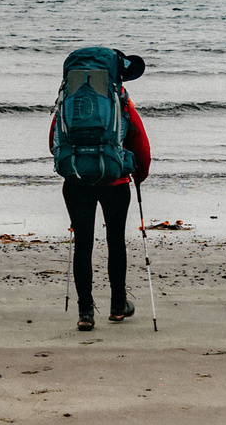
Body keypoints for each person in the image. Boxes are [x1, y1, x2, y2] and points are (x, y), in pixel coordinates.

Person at [48, 50, 151, 331]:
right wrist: (139, 175)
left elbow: (54, 139)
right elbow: (140, 141)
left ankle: (85, 312)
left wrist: (74, 166)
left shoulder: (68, 99)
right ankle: (118, 306)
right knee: (115, 240)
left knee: (83, 243)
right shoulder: (120, 100)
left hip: (77, 180)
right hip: (115, 181)